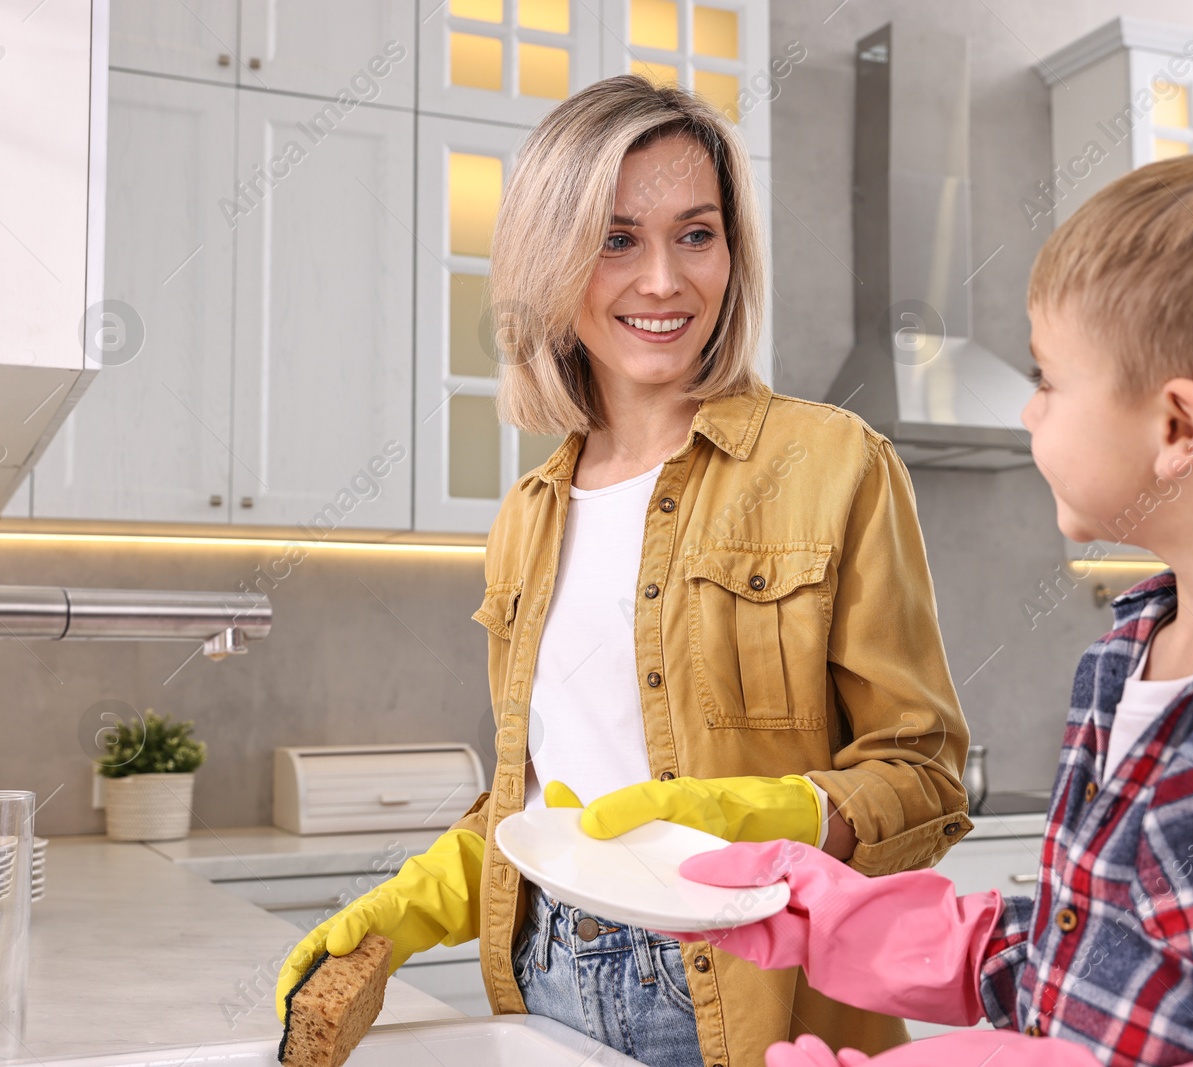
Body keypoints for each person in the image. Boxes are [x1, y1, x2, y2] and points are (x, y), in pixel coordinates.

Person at [669, 147, 1193, 1066]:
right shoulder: (1125, 656)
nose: (1030, 414)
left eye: (1047, 381)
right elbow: (1076, 959)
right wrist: (836, 919)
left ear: (1176, 428)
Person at [273, 75, 973, 1067]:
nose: (663, 281)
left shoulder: (832, 462)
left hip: (746, 984)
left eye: (696, 234)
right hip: (547, 971)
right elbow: (541, 802)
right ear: (547, 259)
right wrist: (409, 903)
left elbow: (924, 776)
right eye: (615, 238)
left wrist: (755, 816)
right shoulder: (527, 515)